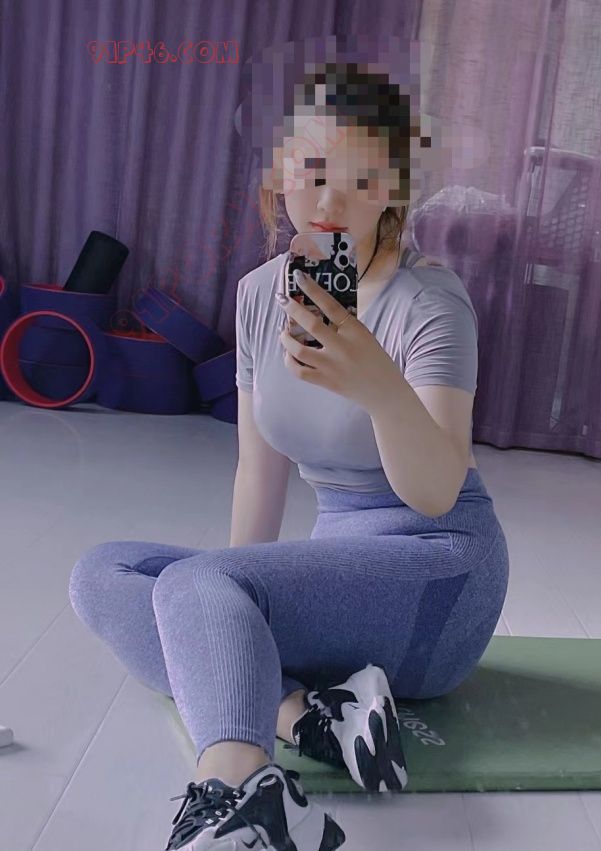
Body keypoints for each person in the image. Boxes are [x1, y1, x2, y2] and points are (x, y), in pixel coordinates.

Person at [68, 61, 509, 851]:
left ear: (392, 190)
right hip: (344, 565)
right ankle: (306, 715)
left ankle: (244, 792)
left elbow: (439, 491)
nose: (332, 201)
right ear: (280, 173)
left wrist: (378, 386)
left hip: (439, 577)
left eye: (361, 180)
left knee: (199, 587)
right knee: (104, 573)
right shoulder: (258, 295)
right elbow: (259, 470)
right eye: (313, 171)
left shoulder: (430, 301)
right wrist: (228, 601)